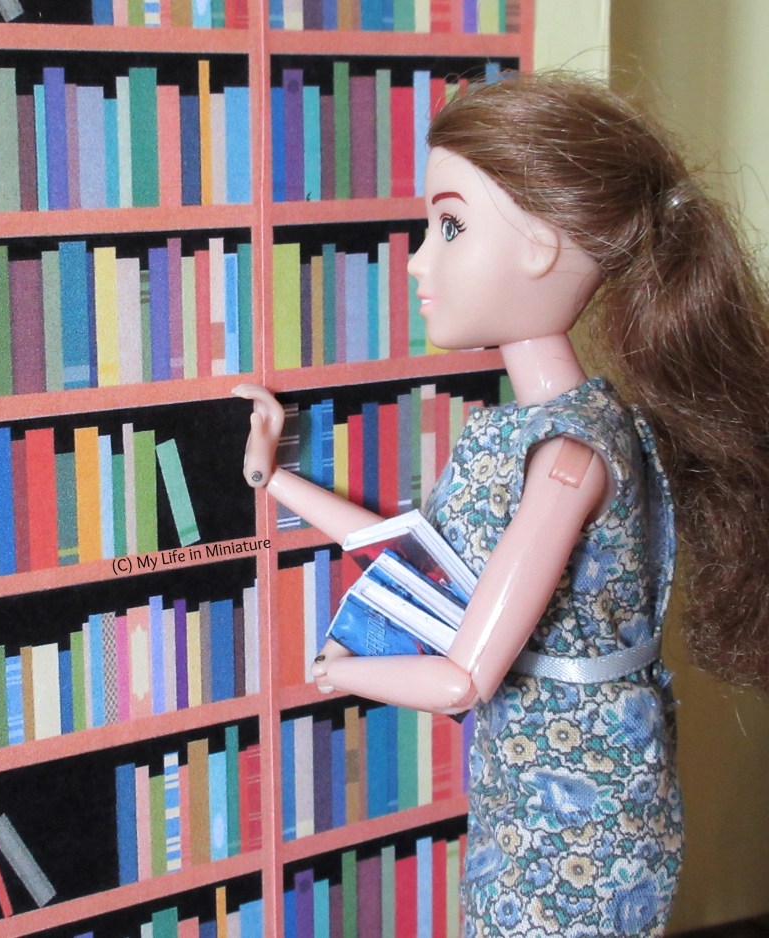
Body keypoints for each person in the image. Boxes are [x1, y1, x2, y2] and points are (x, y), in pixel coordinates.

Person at [233, 73, 769, 936]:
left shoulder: (570, 453)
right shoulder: (532, 431)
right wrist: (273, 478)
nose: (418, 259)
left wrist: (337, 672)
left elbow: (463, 675)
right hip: (525, 783)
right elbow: (421, 560)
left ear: (541, 247)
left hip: (584, 809)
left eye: (450, 225)